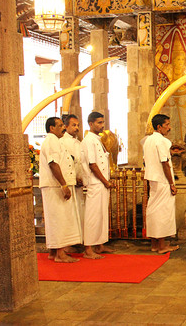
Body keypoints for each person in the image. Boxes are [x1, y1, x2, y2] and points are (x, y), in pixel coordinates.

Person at [39, 117, 82, 263]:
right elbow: (53, 164)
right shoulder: (51, 140)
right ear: (51, 128)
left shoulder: (56, 141)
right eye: (60, 126)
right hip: (55, 186)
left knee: (58, 218)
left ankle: (53, 252)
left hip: (56, 186)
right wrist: (63, 185)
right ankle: (60, 254)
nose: (63, 128)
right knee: (59, 219)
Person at [143, 114, 180, 254]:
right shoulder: (162, 141)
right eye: (167, 125)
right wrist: (172, 183)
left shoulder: (148, 140)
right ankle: (162, 246)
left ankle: (154, 244)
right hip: (163, 179)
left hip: (153, 178)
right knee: (163, 212)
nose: (169, 128)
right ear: (159, 127)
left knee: (153, 209)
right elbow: (165, 163)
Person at [81, 112, 114, 259]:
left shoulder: (97, 139)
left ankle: (100, 245)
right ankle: (88, 248)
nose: (102, 125)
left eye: (103, 122)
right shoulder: (88, 140)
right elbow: (92, 164)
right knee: (92, 216)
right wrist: (105, 181)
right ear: (91, 124)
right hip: (95, 183)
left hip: (101, 184)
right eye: (99, 122)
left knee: (101, 214)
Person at [61, 114, 85, 233]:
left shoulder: (77, 142)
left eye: (78, 125)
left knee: (78, 211)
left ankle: (77, 239)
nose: (77, 128)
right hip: (70, 182)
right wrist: (74, 178)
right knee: (69, 212)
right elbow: (67, 163)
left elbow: (80, 162)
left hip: (79, 183)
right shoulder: (63, 142)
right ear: (65, 126)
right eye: (73, 125)